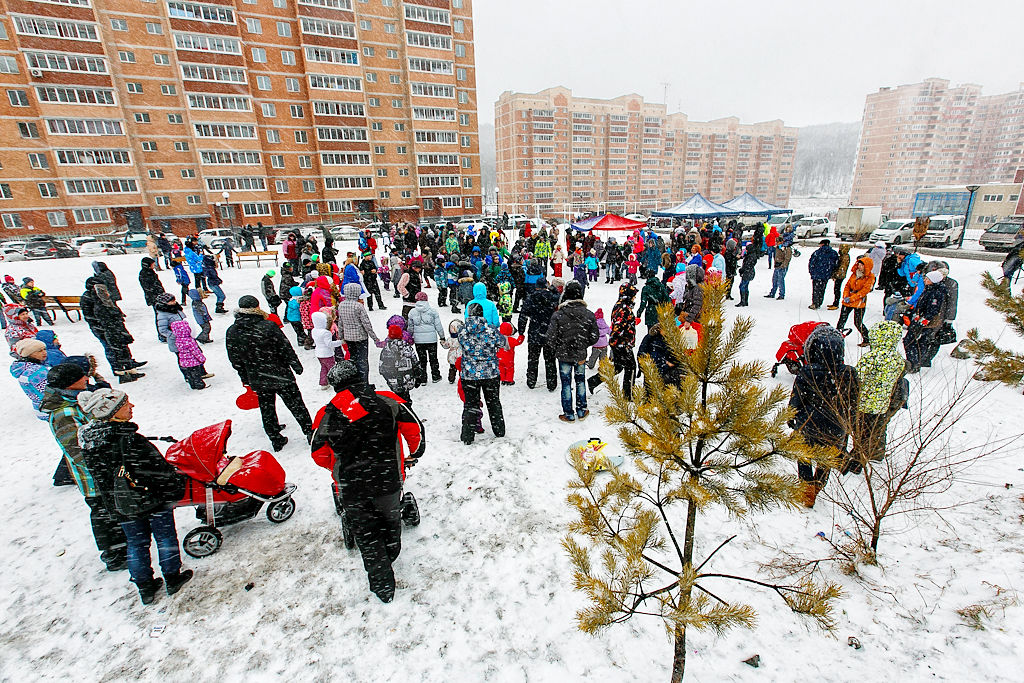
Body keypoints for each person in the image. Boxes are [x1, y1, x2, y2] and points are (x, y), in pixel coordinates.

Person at [310, 360, 424, 602]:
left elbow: (318, 453)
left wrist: (337, 465)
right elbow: (414, 428)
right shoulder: (388, 400)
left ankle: (382, 582)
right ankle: (390, 553)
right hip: (387, 478)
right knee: (390, 523)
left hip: (352, 485)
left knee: (366, 534)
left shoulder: (327, 413)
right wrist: (416, 450)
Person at [77, 389, 192, 604]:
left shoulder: (90, 443)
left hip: (122, 503)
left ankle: (145, 587)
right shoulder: (130, 440)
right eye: (125, 404)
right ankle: (172, 577)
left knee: (136, 543)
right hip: (152, 499)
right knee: (165, 538)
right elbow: (157, 473)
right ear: (111, 411)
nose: (131, 406)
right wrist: (173, 488)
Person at [41, 363, 126, 569]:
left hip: (104, 469)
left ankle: (122, 545)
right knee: (103, 511)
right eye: (82, 377)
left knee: (113, 508)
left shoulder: (76, 399)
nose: (86, 379)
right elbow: (76, 451)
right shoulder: (64, 414)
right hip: (93, 476)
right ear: (70, 383)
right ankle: (113, 553)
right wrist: (105, 464)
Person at [225, 295, 312, 451]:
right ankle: (309, 431)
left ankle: (275, 438)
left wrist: (245, 377)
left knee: (267, 408)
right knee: (296, 405)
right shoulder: (268, 326)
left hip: (258, 377)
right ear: (257, 308)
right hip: (280, 373)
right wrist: (295, 365)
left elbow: (235, 359)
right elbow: (285, 348)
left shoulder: (233, 331)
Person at [788, 326, 860, 508]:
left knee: (804, 455)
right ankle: (818, 485)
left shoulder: (807, 372)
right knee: (826, 457)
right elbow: (854, 403)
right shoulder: (850, 374)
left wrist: (791, 416)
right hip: (837, 426)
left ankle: (806, 489)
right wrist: (850, 425)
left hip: (808, 423)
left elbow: (796, 398)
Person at [851, 321, 906, 469]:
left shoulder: (871, 358)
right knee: (877, 429)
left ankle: (857, 460)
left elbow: (858, 377)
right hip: (883, 403)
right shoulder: (898, 359)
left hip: (865, 402)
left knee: (861, 432)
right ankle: (876, 452)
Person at [546, 281, 599, 422]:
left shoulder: (558, 315)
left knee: (566, 383)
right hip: (580, 354)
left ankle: (568, 413)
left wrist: (560, 346)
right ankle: (581, 410)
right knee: (580, 381)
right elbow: (594, 337)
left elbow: (550, 338)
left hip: (563, 355)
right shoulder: (589, 315)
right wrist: (583, 344)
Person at [457, 303, 508, 443]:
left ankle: (467, 435)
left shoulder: (462, 331)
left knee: (471, 405)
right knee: (494, 402)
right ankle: (499, 430)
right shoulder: (491, 330)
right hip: (490, 373)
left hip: (469, 375)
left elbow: (460, 342)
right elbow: (504, 343)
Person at [80, 278, 145, 383]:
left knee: (121, 347)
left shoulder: (100, 297)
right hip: (105, 329)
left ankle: (128, 367)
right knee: (112, 349)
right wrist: (104, 327)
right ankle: (119, 369)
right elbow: (92, 316)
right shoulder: (90, 299)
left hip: (112, 328)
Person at [589, 283, 637, 398]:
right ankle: (628, 394)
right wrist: (621, 342)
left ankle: (593, 381)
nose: (635, 297)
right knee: (631, 367)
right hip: (622, 343)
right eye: (633, 295)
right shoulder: (624, 308)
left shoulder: (621, 305)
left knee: (617, 367)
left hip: (619, 343)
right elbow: (618, 327)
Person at [518, 278, 560, 391]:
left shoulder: (531, 297)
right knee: (550, 359)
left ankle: (531, 380)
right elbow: (558, 296)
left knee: (533, 358)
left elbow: (523, 315)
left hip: (534, 331)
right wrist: (553, 289)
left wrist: (521, 331)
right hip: (549, 331)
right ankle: (551, 383)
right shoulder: (551, 296)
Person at [336, 282, 382, 382]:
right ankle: (364, 381)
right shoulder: (358, 306)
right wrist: (375, 338)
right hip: (360, 337)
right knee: (362, 361)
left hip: (348, 337)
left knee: (353, 358)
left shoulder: (341, 305)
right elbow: (366, 324)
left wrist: (341, 336)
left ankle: (356, 380)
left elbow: (340, 322)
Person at [903, 270, 947, 373]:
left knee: (910, 341)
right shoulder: (929, 289)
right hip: (920, 318)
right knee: (918, 341)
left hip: (923, 321)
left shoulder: (935, 293)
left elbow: (933, 309)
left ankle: (913, 363)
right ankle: (915, 362)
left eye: (927, 279)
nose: (925, 280)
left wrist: (924, 319)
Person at [408, 291, 446, 384]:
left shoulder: (412, 312)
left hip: (419, 340)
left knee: (422, 359)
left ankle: (423, 378)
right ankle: (435, 375)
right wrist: (442, 336)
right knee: (433, 358)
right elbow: (438, 325)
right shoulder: (432, 311)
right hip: (431, 339)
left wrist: (410, 337)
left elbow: (410, 327)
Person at [837, 257, 874, 346]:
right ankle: (837, 336)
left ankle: (867, 339)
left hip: (859, 302)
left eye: (862, 265)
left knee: (858, 322)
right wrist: (846, 295)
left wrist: (852, 298)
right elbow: (847, 285)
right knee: (842, 320)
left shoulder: (870, 277)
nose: (859, 267)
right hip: (848, 300)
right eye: (859, 264)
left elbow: (865, 291)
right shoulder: (854, 274)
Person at [169, 319, 210, 390]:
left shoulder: (178, 340)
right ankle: (200, 385)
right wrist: (202, 358)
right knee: (196, 374)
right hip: (193, 361)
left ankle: (193, 385)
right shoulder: (189, 340)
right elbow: (195, 351)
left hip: (184, 361)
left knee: (190, 374)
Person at [310, 311, 346, 390]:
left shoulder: (314, 330)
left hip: (318, 353)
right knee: (332, 368)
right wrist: (340, 342)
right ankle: (336, 382)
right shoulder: (326, 333)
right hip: (327, 353)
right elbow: (329, 344)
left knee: (323, 368)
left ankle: (323, 383)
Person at [139, 258, 168, 342]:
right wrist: (157, 295)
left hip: (159, 296)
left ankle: (165, 332)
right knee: (160, 316)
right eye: (152, 264)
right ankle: (162, 334)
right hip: (154, 298)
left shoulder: (151, 272)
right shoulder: (144, 274)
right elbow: (149, 287)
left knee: (163, 315)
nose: (154, 265)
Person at [807, 240, 839, 310]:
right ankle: (819, 302)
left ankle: (815, 303)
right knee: (822, 289)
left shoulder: (817, 252)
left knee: (816, 289)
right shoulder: (833, 253)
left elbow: (811, 262)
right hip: (826, 274)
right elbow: (835, 264)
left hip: (817, 274)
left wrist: (811, 272)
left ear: (822, 244)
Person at [497, 321, 525, 385]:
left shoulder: (499, 339)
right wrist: (521, 337)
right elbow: (518, 342)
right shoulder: (510, 340)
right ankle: (509, 380)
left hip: (500, 357)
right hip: (509, 358)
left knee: (501, 368)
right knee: (510, 369)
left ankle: (502, 379)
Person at [828, 244, 852, 310]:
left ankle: (836, 303)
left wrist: (836, 275)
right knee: (836, 289)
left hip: (840, 276)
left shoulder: (844, 257)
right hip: (840, 275)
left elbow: (842, 268)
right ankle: (835, 302)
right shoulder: (843, 256)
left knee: (837, 289)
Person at [735, 241, 759, 307]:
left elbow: (746, 265)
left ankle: (743, 301)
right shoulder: (752, 255)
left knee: (742, 286)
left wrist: (741, 270)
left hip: (747, 273)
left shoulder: (750, 257)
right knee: (745, 286)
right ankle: (745, 301)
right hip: (750, 272)